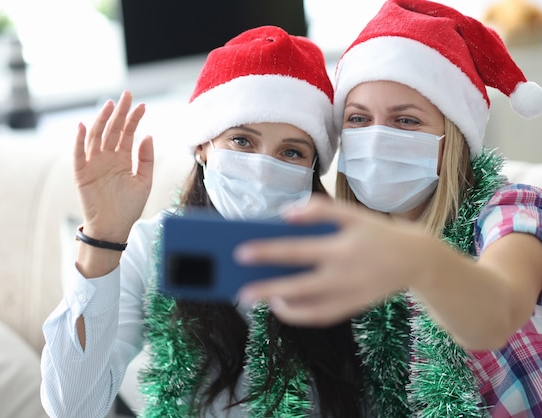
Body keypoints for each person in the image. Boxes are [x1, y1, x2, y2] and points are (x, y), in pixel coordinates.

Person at [235, 1, 542, 416]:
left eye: (406, 121)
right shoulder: (350, 258)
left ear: (453, 137)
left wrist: (419, 259)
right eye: (357, 119)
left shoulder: (515, 209)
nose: (376, 138)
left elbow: (496, 313)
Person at [40, 25, 366, 418]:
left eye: (291, 152)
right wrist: (102, 239)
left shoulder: (346, 255)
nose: (263, 167)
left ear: (312, 169)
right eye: (242, 141)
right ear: (203, 148)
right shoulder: (152, 247)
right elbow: (72, 406)